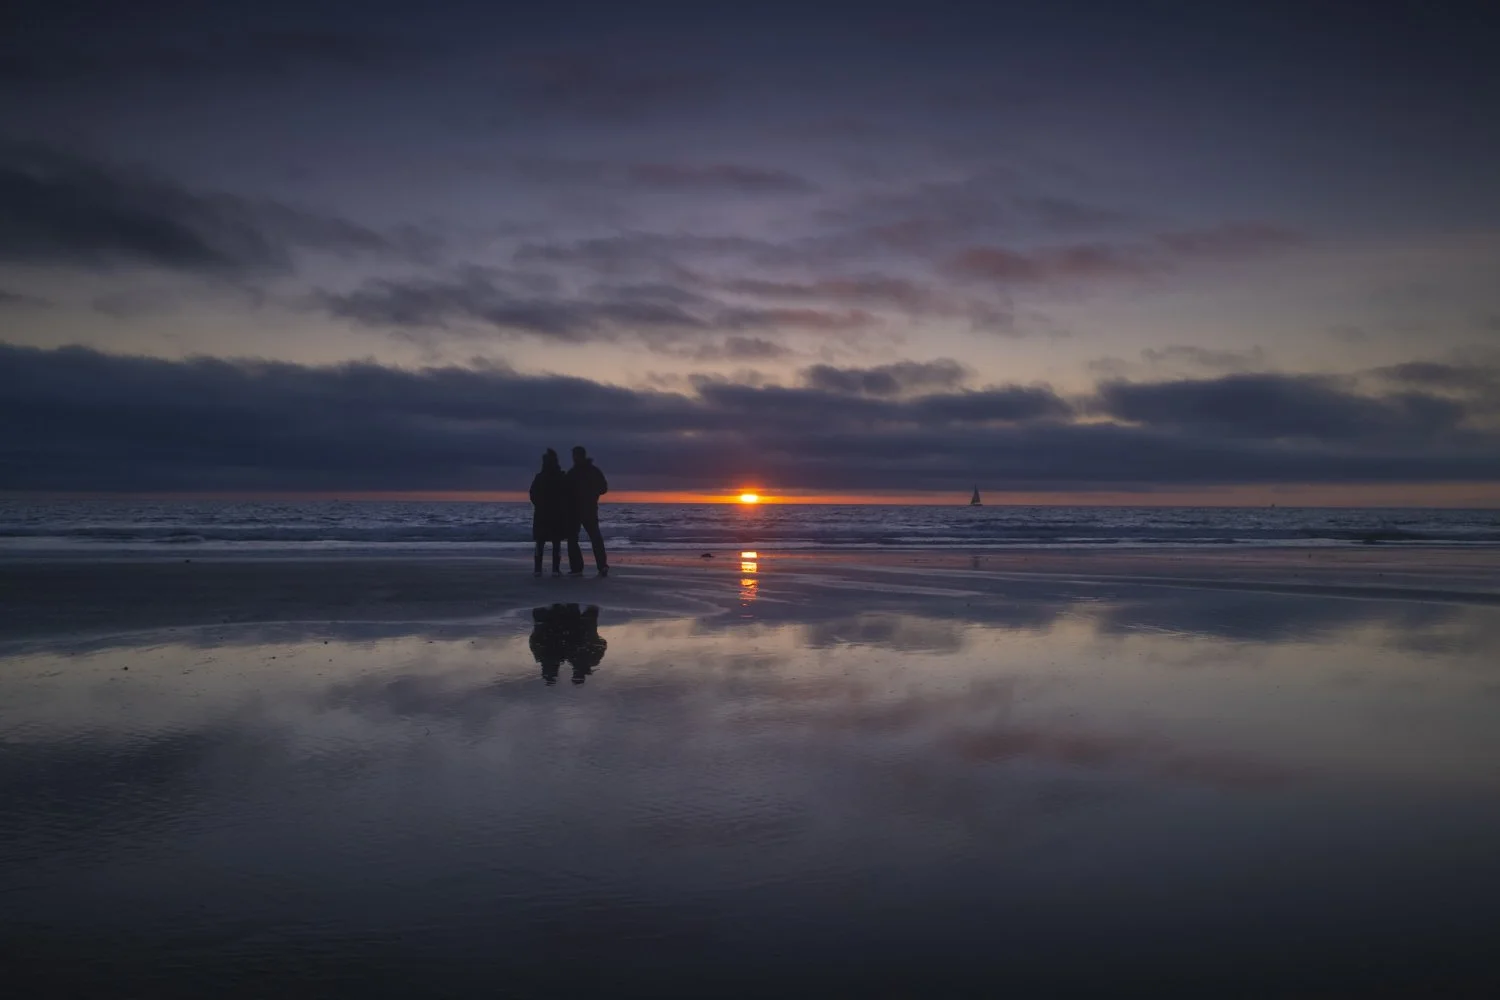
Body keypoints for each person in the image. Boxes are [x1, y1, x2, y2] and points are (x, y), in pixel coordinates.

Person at [566, 445, 609, 577]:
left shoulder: (579, 472)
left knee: (589, 538)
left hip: (584, 509)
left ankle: (594, 567)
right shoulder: (580, 472)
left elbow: (603, 488)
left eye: (575, 455)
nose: (573, 458)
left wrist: (591, 493)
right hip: (580, 510)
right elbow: (603, 488)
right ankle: (585, 567)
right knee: (581, 538)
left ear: (578, 456)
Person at [529, 449, 570, 576]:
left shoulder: (539, 477)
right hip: (557, 514)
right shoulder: (560, 477)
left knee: (540, 542)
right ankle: (555, 569)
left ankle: (537, 569)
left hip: (542, 513)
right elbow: (566, 495)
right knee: (556, 542)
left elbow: (533, 494)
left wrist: (540, 505)